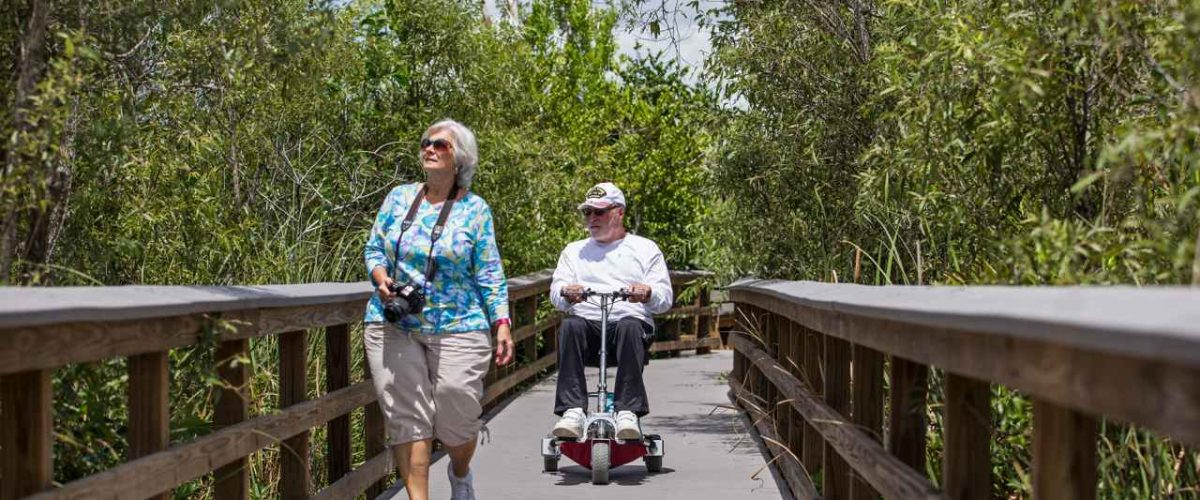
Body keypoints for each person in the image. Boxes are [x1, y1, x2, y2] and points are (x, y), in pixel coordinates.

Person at [362, 119, 514, 500]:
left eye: (441, 145)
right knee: (407, 419)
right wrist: (381, 278)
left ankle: (460, 472)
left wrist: (502, 322)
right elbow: (374, 249)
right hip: (393, 322)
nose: (429, 149)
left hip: (460, 324)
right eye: (426, 143)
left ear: (459, 158)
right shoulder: (399, 198)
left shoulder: (475, 210)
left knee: (455, 414)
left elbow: (490, 272)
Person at [549, 182, 673, 440]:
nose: (592, 218)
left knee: (630, 324)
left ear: (619, 212)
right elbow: (556, 293)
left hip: (629, 329)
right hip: (589, 326)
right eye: (588, 212)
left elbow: (664, 300)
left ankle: (627, 411)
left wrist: (647, 293)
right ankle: (572, 410)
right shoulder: (574, 251)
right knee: (571, 325)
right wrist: (567, 292)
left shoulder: (645, 249)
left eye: (599, 212)